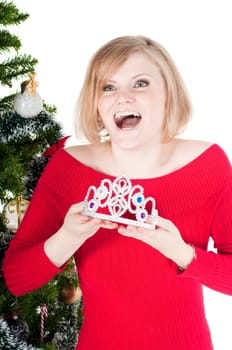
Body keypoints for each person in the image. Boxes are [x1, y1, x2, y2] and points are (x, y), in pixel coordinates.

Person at [3, 35, 232, 350]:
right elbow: (17, 277)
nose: (122, 97)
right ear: (97, 106)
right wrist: (69, 236)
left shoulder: (208, 164)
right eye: (108, 87)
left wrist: (182, 253)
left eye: (140, 83)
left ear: (169, 95)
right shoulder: (67, 167)